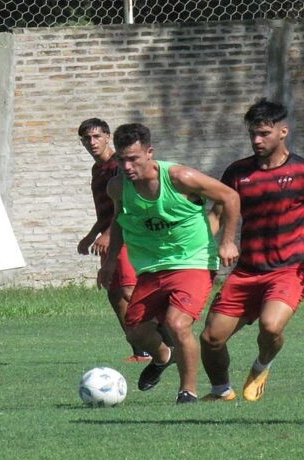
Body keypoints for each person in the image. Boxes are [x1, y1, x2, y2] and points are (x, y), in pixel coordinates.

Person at [199, 98, 304, 402]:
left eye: (264, 133)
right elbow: (217, 213)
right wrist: (204, 245)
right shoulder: (237, 172)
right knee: (210, 338)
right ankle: (221, 390)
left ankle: (262, 366)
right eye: (253, 133)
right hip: (247, 271)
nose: (257, 140)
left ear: (283, 132)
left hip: (290, 269)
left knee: (270, 325)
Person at [97, 123, 241, 404]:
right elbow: (119, 221)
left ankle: (187, 392)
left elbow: (230, 196)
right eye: (122, 160)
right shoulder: (118, 187)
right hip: (151, 267)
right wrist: (110, 262)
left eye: (133, 159)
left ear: (149, 152)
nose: (127, 167)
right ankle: (164, 356)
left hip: (193, 261)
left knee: (177, 324)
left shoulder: (179, 177)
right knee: (135, 331)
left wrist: (227, 241)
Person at [76, 118, 151, 362]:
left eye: (97, 136)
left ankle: (165, 340)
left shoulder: (119, 166)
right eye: (87, 138)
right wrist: (91, 235)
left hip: (126, 235)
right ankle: (140, 350)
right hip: (109, 235)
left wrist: (108, 234)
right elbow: (105, 212)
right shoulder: (96, 170)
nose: (92, 142)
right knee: (115, 293)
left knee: (129, 290)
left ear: (108, 137)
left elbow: (126, 206)